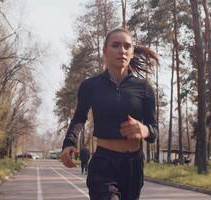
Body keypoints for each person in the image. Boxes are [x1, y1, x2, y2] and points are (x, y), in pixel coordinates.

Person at [61, 27, 159, 200]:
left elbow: (153, 131)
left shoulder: (144, 88)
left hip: (133, 165)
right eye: (116, 45)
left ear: (132, 52)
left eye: (127, 46)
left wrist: (144, 130)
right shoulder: (91, 86)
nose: (122, 50)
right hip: (104, 162)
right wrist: (69, 143)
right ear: (105, 51)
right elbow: (79, 118)